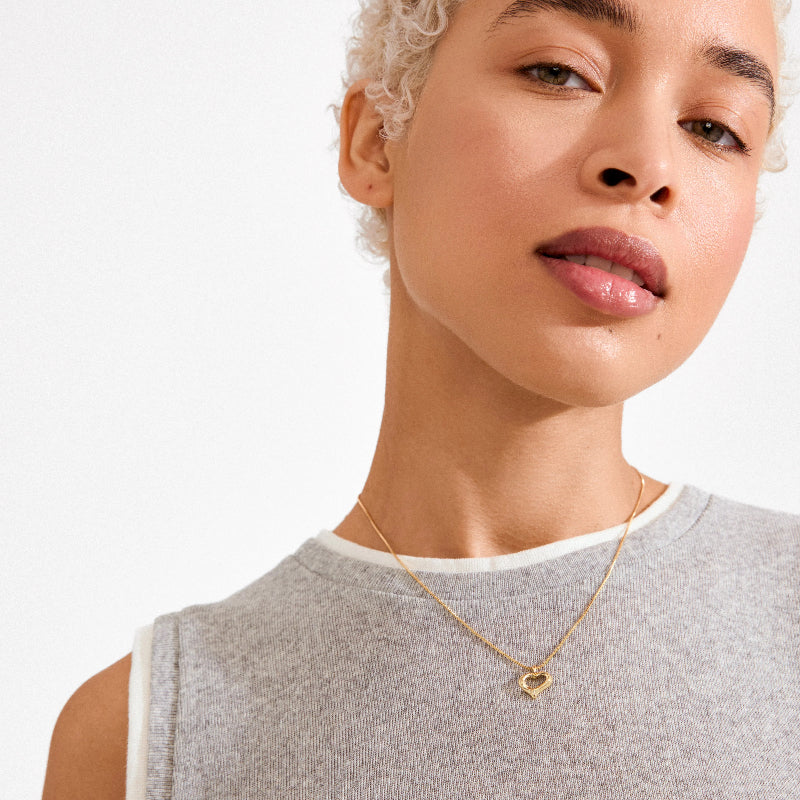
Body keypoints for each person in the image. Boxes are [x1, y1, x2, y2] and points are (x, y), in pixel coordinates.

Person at [43, 0, 798, 797]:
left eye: (716, 128)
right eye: (561, 73)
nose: (648, 165)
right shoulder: (147, 740)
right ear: (377, 139)